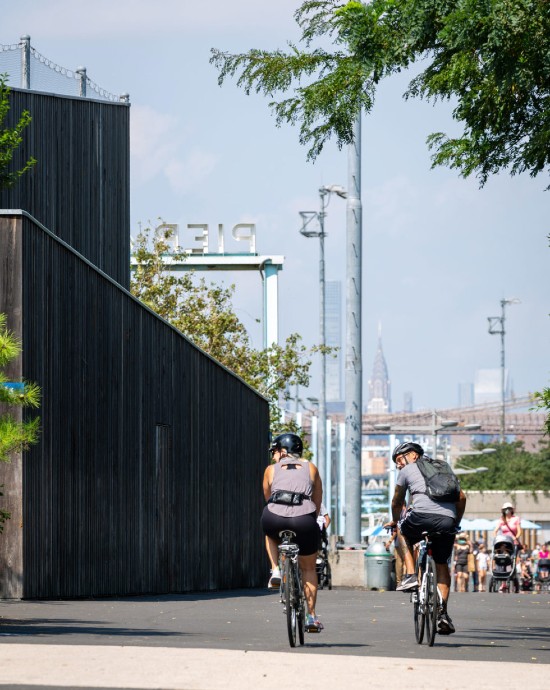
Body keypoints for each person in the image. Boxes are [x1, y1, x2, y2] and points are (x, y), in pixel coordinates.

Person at [385, 441, 466, 636]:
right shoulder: (443, 468)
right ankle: (443, 614)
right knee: (441, 564)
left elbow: (397, 501)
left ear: (413, 455)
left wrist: (396, 522)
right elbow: (461, 498)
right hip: (448, 521)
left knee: (403, 532)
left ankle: (411, 575)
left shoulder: (408, 470)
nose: (398, 465)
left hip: (420, 517)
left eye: (399, 460)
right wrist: (455, 521)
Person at [261, 432, 324, 632]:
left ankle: (276, 570)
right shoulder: (311, 468)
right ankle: (311, 617)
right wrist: (309, 521)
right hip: (304, 519)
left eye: (275, 452)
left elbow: (268, 497)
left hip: (274, 517)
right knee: (308, 569)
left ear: (282, 451)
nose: (273, 457)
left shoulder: (270, 470)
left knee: (270, 533)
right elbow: (317, 499)